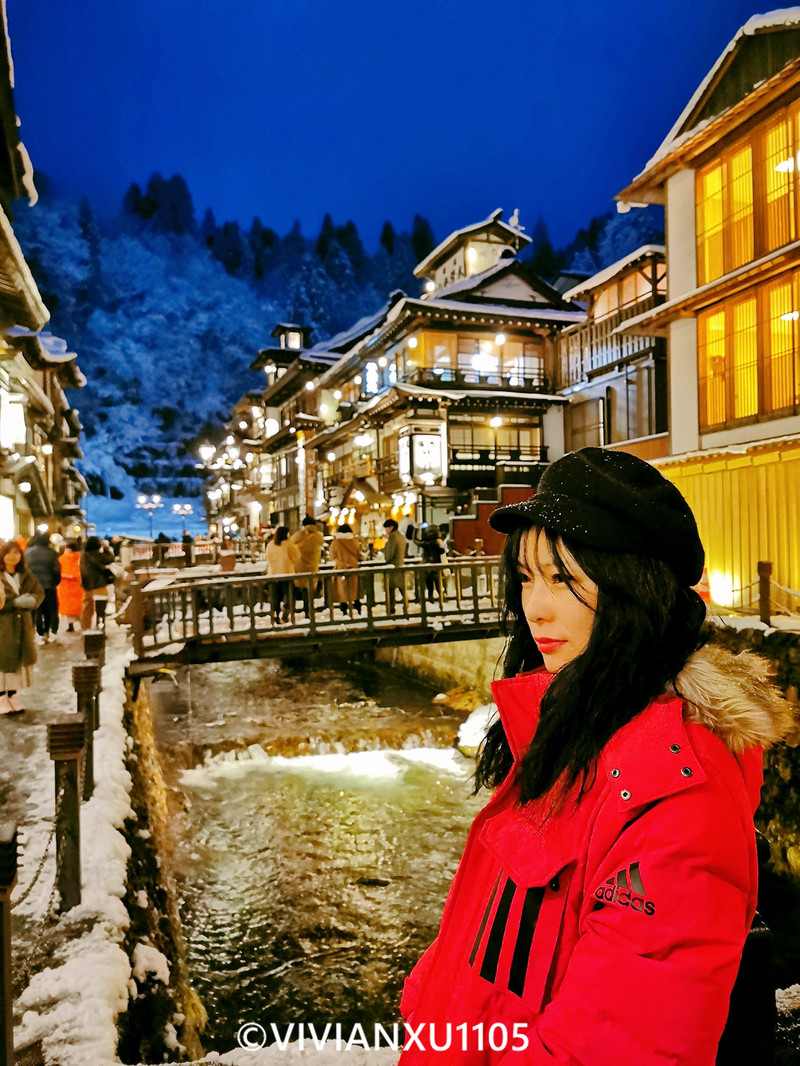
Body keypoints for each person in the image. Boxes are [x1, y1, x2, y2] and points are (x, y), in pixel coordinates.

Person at [398, 447, 793, 1065]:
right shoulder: (574, 729)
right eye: (527, 577)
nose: (535, 606)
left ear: (633, 590)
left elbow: (616, 1045)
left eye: (564, 580)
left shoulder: (673, 794)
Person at [0, 540, 44, 714]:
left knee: (18, 659)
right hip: (3, 624)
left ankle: (13, 694)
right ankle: (1, 697)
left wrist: (32, 600)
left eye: (16, 553)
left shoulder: (25, 574)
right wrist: (13, 603)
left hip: (22, 624)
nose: (13, 557)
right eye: (9, 553)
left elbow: (38, 592)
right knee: (3, 660)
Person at [24, 530, 61, 642]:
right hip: (49, 585)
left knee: (37, 610)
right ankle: (51, 631)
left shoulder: (27, 552)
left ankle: (39, 632)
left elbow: (25, 570)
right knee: (51, 609)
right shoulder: (52, 552)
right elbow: (56, 570)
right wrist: (55, 582)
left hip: (33, 586)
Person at [265, 525, 300, 624]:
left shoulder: (271, 544)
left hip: (273, 574)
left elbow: (267, 557)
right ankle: (285, 616)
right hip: (287, 573)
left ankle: (275, 616)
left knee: (275, 598)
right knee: (289, 596)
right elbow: (296, 557)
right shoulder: (289, 544)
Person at [292, 516, 326, 616]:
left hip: (299, 565)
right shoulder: (318, 536)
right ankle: (309, 610)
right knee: (310, 589)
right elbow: (322, 543)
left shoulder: (298, 535)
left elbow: (291, 545)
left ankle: (292, 611)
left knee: (298, 589)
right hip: (312, 565)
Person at [80, 536, 115, 630]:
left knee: (87, 609)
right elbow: (111, 559)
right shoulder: (98, 555)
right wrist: (106, 548)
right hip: (99, 585)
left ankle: (85, 629)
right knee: (100, 609)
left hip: (87, 585)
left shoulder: (83, 556)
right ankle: (100, 629)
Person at [329, 523, 363, 614]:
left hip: (341, 568)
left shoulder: (336, 542)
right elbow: (358, 553)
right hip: (353, 567)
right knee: (354, 589)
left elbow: (332, 555)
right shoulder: (354, 541)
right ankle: (357, 606)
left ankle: (344, 609)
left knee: (342, 590)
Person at [57, 539, 83, 631]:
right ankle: (83, 624)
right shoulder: (81, 559)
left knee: (68, 607)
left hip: (65, 586)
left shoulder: (62, 559)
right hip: (79, 585)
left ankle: (70, 625)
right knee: (80, 606)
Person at [382, 518, 407, 614]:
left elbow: (389, 554)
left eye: (387, 528)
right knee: (401, 588)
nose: (386, 530)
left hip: (393, 566)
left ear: (391, 527)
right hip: (400, 564)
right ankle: (405, 605)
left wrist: (385, 553)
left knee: (390, 589)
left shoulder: (392, 537)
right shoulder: (400, 536)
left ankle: (391, 608)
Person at [419, 525, 445, 602]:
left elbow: (417, 542)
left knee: (431, 585)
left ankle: (432, 599)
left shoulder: (428, 544)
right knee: (437, 585)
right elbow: (441, 551)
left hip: (429, 567)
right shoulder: (435, 543)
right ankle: (441, 599)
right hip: (436, 567)